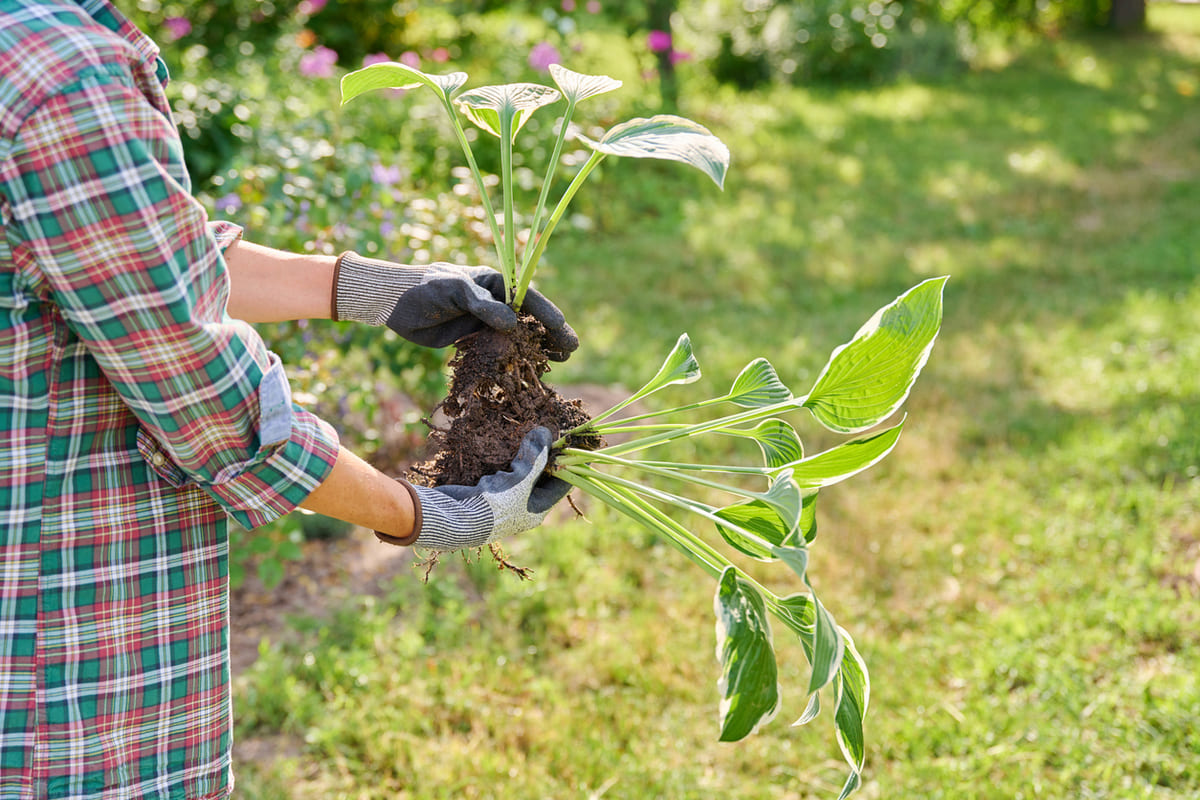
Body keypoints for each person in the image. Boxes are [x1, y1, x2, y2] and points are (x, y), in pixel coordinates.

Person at [0, 0, 577, 797]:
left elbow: (135, 261)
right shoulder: (62, 73)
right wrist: (432, 513)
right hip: (58, 680)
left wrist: (385, 289)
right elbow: (218, 408)